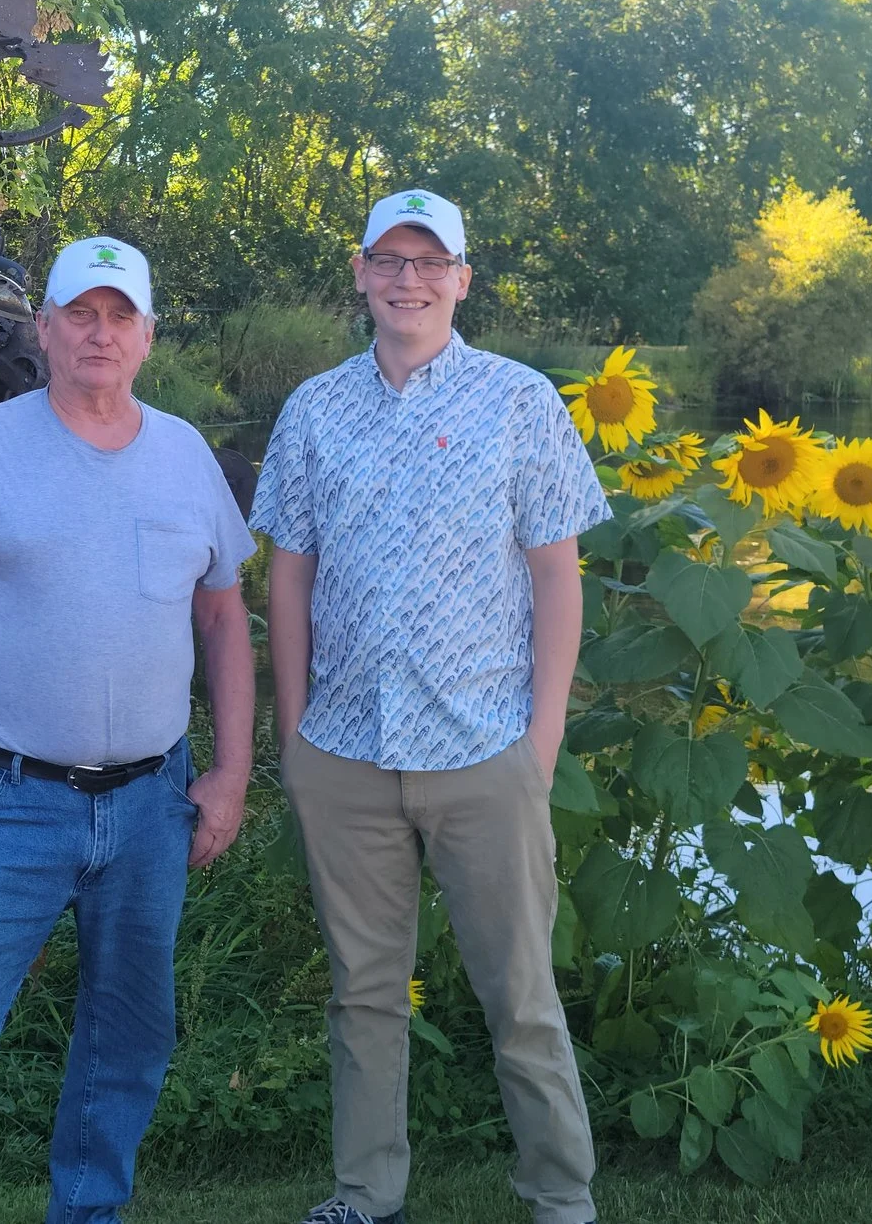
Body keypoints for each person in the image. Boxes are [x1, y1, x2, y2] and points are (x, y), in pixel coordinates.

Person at [0, 234, 259, 1224]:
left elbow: (222, 619)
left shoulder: (186, 455)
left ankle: (86, 1213)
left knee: (126, 1044)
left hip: (154, 806)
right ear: (43, 330)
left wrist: (233, 771)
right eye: (79, 312)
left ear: (148, 335)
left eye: (119, 315)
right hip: (0, 803)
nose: (98, 333)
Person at [251, 189, 610, 1224]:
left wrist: (538, 746)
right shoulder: (314, 408)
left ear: (462, 276)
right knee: (362, 996)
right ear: (360, 273)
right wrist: (295, 733)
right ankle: (365, 1193)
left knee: (521, 999)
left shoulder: (519, 400)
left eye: (429, 260)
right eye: (387, 259)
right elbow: (287, 574)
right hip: (345, 754)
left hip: (484, 748)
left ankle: (560, 1196)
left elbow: (556, 577)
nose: (407, 280)